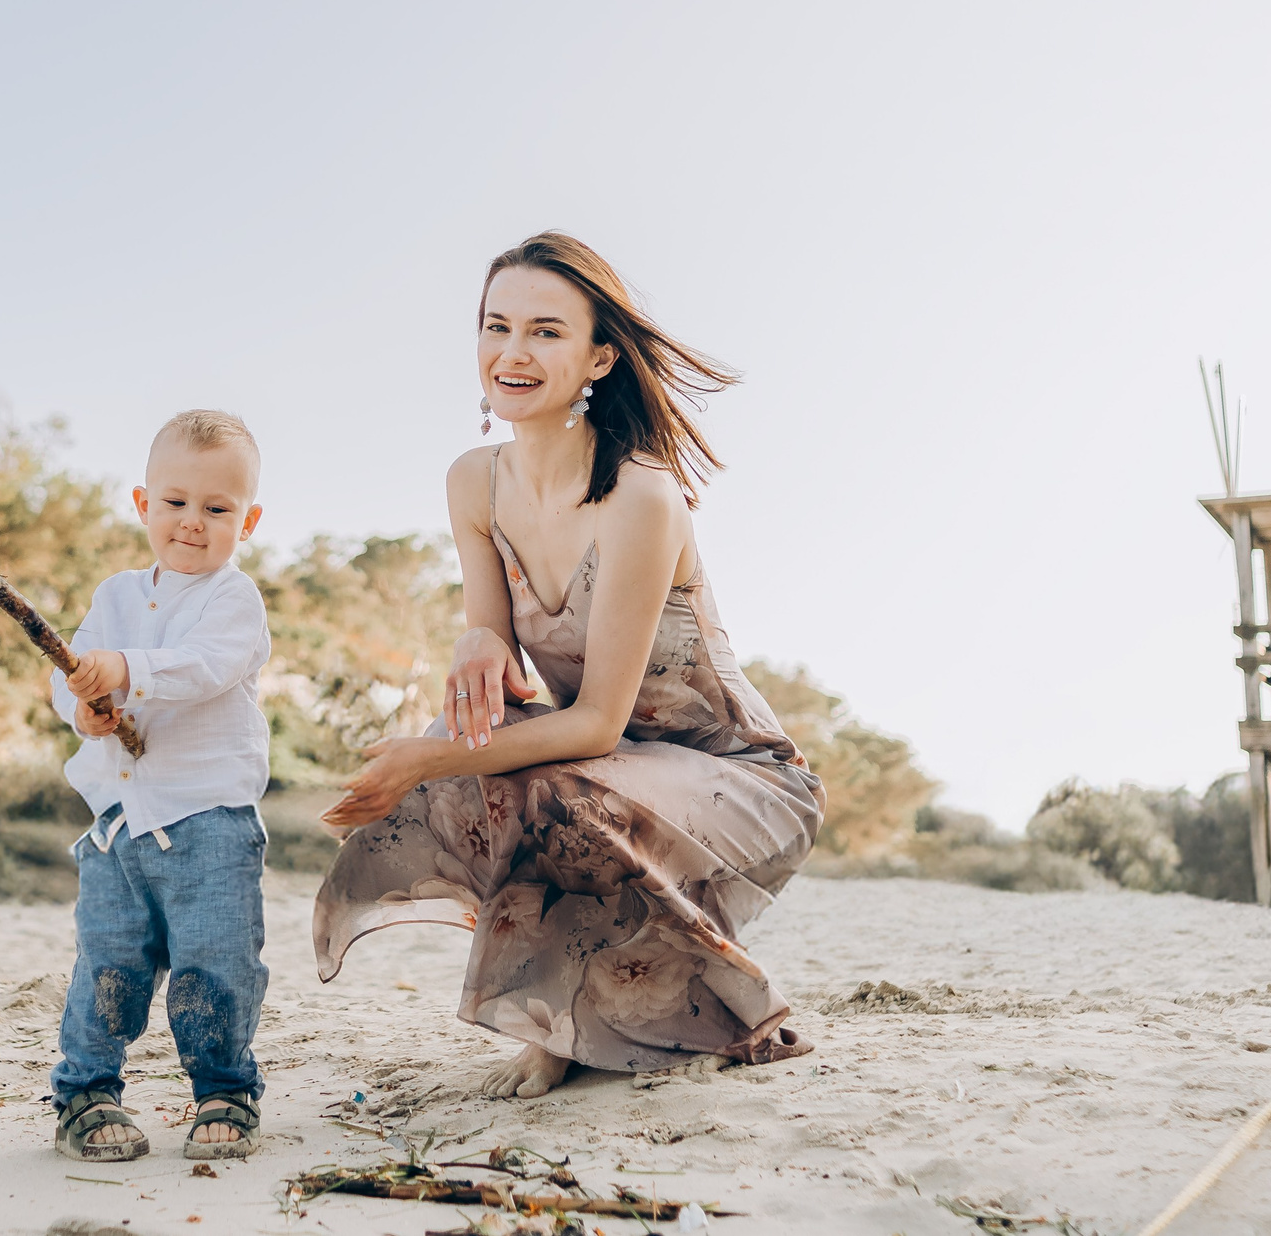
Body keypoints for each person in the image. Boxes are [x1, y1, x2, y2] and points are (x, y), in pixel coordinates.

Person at [315, 232, 825, 1099]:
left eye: (545, 332)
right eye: (495, 325)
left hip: (736, 777)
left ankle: (601, 1019)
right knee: (482, 748)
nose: (511, 353)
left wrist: (424, 760)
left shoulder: (640, 494)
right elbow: (495, 650)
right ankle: (570, 1017)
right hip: (604, 763)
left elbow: (593, 720)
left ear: (597, 356)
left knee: (510, 772)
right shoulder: (474, 481)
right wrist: (476, 641)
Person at [47, 409, 274, 1163]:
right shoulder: (114, 595)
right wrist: (83, 703)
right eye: (175, 503)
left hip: (209, 822)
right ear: (144, 504)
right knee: (107, 962)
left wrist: (126, 669)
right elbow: (69, 669)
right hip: (116, 827)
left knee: (216, 961)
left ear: (249, 520)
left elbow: (205, 665)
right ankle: (85, 1090)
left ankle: (223, 1088)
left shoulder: (231, 599)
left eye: (218, 509)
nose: (193, 523)